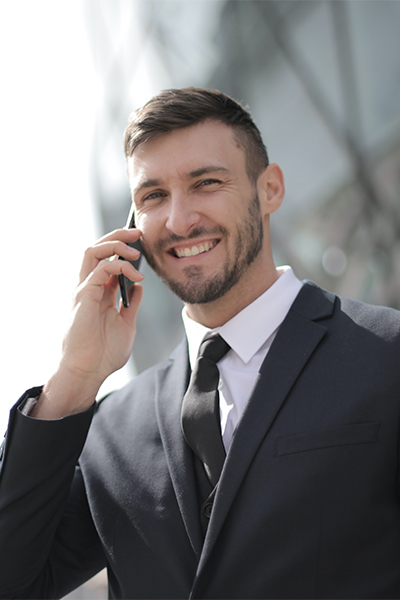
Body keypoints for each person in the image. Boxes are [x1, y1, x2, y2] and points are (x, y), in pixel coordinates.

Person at [1, 87, 400, 600]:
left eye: (206, 183)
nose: (179, 220)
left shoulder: (386, 356)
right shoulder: (109, 432)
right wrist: (74, 378)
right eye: (153, 197)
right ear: (131, 230)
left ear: (270, 189)